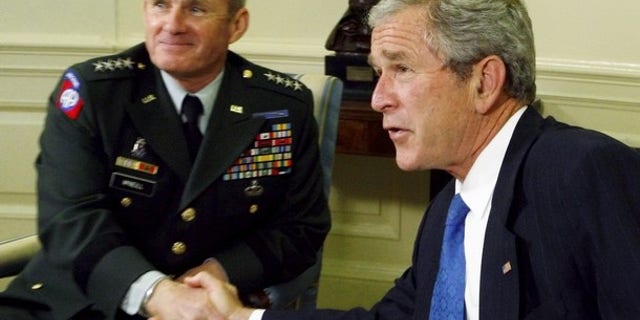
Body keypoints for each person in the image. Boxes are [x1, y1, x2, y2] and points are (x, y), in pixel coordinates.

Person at [191, 0, 640, 319]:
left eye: (401, 68)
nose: (378, 98)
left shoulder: (582, 171)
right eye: (378, 72)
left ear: (484, 81)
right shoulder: (450, 211)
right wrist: (234, 318)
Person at [0, 0, 330, 319]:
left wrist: (216, 273)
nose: (172, 25)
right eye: (160, 5)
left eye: (196, 8)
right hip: (77, 302)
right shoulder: (95, 92)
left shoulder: (280, 105)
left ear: (236, 24)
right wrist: (157, 293)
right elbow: (70, 217)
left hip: (208, 304)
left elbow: (300, 228)